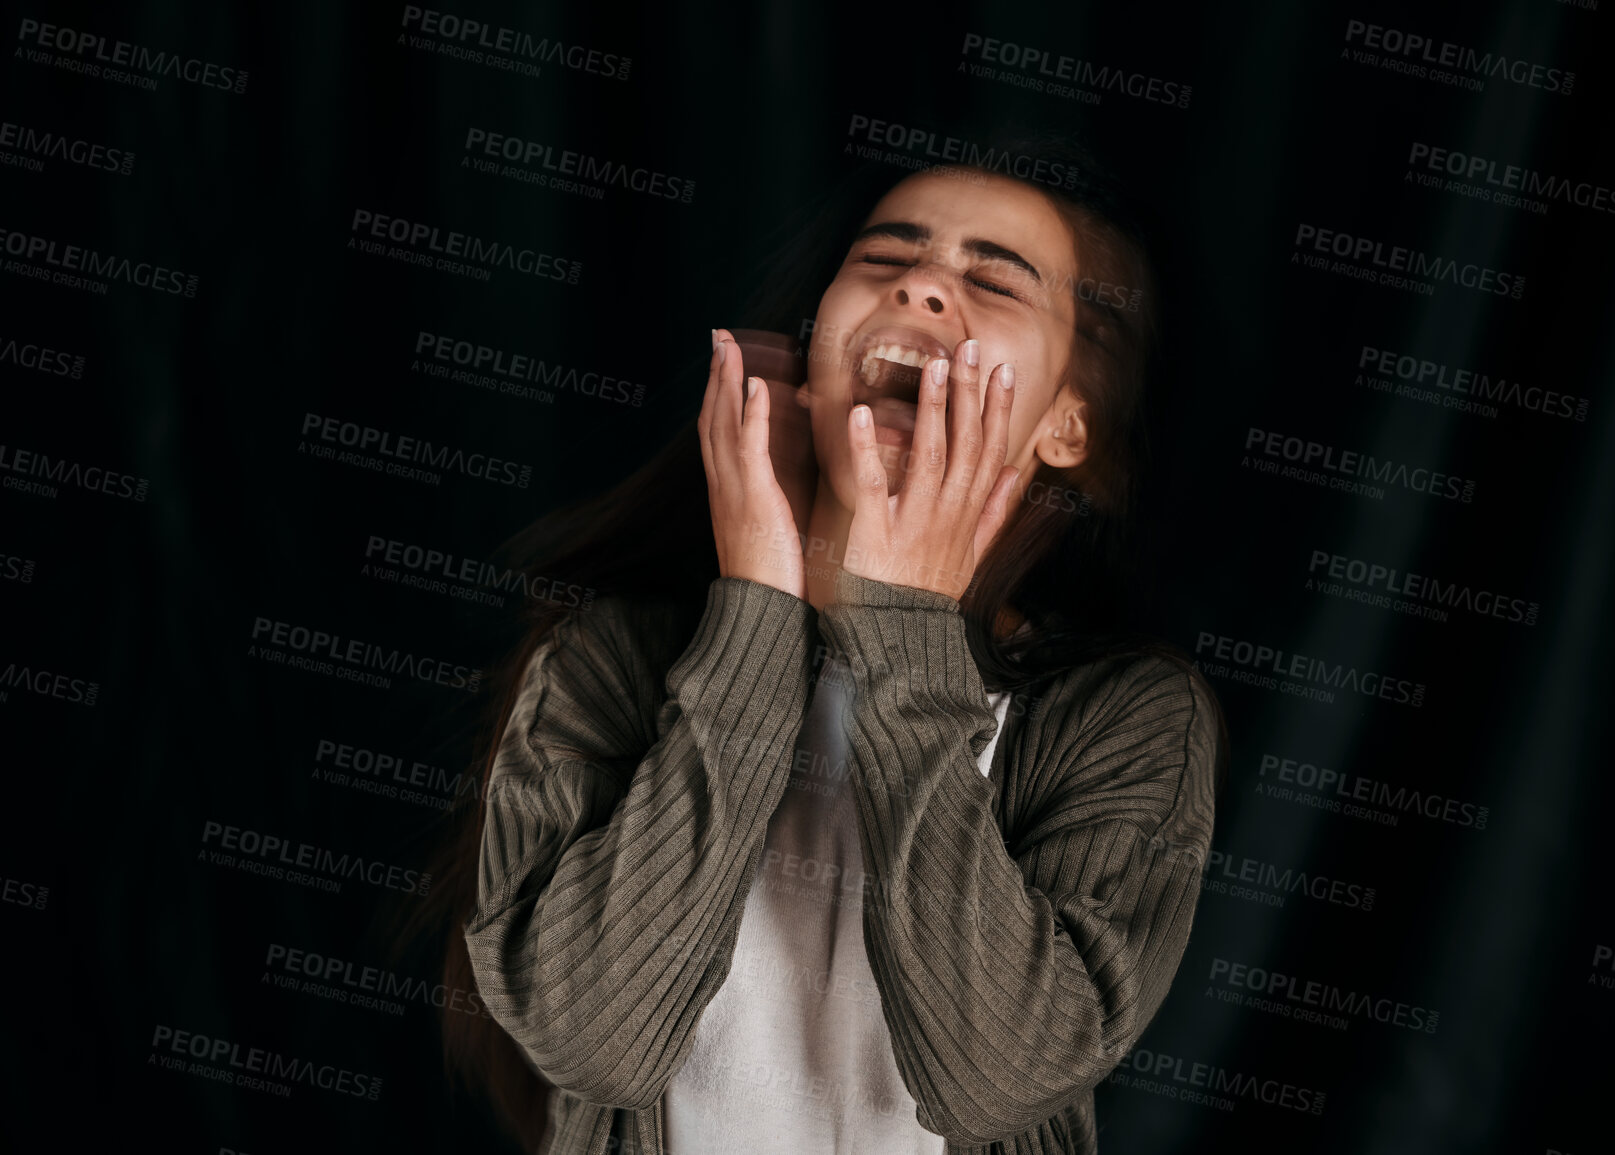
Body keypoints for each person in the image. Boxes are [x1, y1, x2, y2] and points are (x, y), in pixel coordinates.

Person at [433, 135, 1229, 1155]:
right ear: (812, 361)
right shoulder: (605, 659)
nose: (927, 289)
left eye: (994, 279)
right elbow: (597, 1044)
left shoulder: (1131, 720)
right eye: (888, 260)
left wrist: (904, 630)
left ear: (1066, 425)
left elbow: (995, 1080)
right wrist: (757, 609)